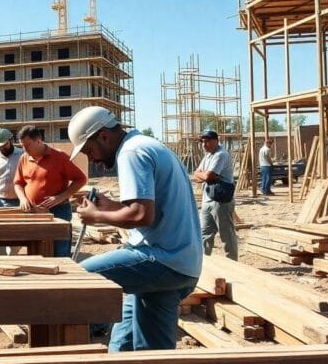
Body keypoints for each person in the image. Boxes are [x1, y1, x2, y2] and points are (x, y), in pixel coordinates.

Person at [69, 106, 202, 352]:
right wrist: (111, 207)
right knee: (130, 347)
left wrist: (96, 216)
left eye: (89, 151)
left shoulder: (132, 152)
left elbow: (141, 215)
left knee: (76, 277)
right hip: (181, 263)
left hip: (162, 260)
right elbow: (151, 210)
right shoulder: (147, 145)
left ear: (104, 137)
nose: (92, 159)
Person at [13, 125, 87, 257]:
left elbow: (81, 179)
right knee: (37, 251)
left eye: (27, 145)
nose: (24, 149)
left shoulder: (59, 157)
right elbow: (18, 183)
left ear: (38, 141)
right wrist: (22, 199)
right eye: (22, 146)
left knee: (60, 251)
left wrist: (61, 197)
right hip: (34, 212)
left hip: (58, 212)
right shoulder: (24, 158)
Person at [193, 130, 238, 260]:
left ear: (216, 141)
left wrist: (205, 175)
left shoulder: (221, 155)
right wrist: (203, 175)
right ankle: (204, 262)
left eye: (207, 141)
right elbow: (196, 175)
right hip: (207, 200)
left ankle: (233, 264)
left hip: (221, 201)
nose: (204, 144)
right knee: (204, 234)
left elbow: (208, 175)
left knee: (227, 235)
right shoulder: (208, 156)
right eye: (202, 142)